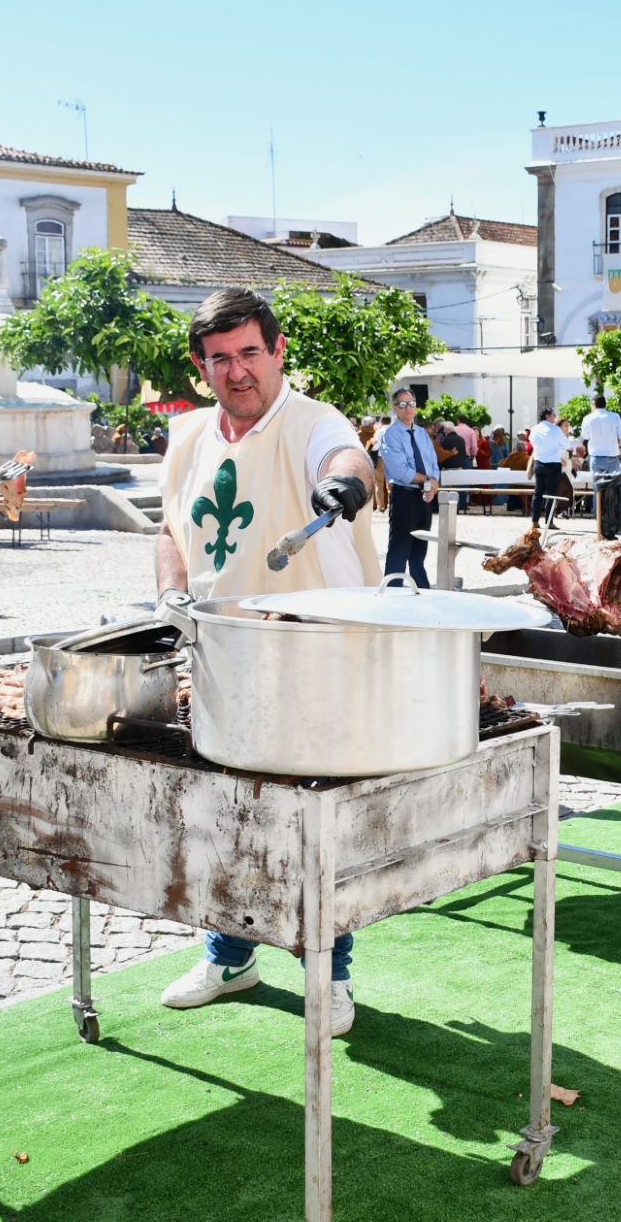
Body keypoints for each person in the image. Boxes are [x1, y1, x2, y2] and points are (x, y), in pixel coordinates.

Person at [155, 287, 377, 1032]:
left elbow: (347, 457)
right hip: (221, 660)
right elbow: (170, 530)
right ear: (201, 367)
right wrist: (171, 592)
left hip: (318, 658)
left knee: (316, 825)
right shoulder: (187, 437)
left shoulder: (314, 423)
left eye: (250, 352)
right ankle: (229, 956)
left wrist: (345, 482)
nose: (238, 370)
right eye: (220, 358)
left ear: (278, 352)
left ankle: (330, 975)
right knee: (224, 815)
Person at [379, 388, 439, 587]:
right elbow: (400, 471)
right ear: (395, 407)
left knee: (420, 549)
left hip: (424, 496)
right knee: (399, 549)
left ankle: (421, 590)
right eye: (403, 404)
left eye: (411, 403)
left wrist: (434, 483)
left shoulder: (422, 433)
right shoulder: (391, 435)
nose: (408, 408)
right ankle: (392, 591)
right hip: (404, 496)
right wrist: (428, 479)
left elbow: (433, 463)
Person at [528, 408, 567, 524]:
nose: (555, 417)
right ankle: (549, 522)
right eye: (553, 415)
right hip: (553, 465)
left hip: (539, 463)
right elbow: (566, 444)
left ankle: (534, 520)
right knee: (551, 494)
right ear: (547, 416)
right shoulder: (555, 430)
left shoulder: (534, 429)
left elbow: (532, 442)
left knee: (538, 493)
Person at [581, 395, 621, 476]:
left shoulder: (587, 418)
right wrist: (615, 446)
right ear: (605, 405)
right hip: (612, 457)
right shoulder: (615, 417)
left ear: (594, 404)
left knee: (598, 483)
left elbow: (585, 436)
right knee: (614, 483)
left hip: (596, 457)